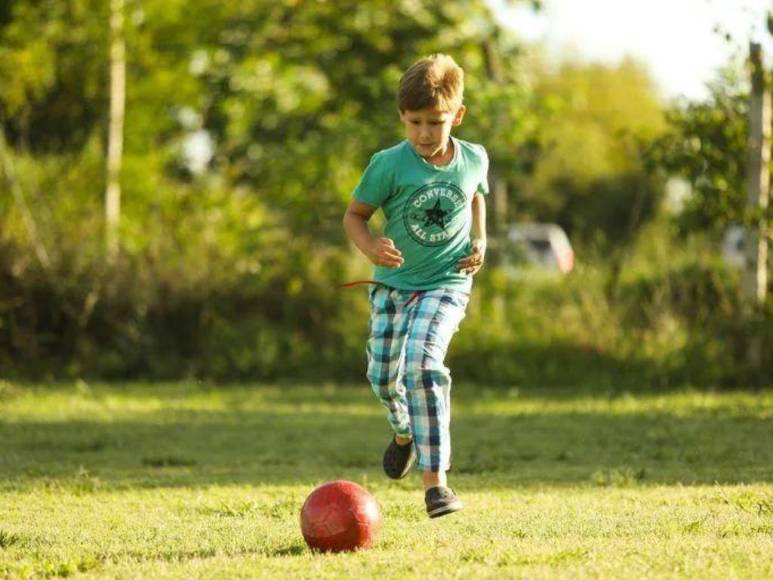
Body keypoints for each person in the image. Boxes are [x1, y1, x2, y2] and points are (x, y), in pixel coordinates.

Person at [342, 54, 489, 518]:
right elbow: (354, 216)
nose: (425, 133)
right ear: (402, 118)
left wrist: (481, 240)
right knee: (384, 376)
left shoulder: (474, 158)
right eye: (415, 122)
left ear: (457, 116)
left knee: (423, 366)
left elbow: (477, 196)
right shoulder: (388, 165)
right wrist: (370, 248)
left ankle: (436, 484)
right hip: (392, 286)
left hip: (447, 282)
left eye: (436, 122)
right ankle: (403, 430)